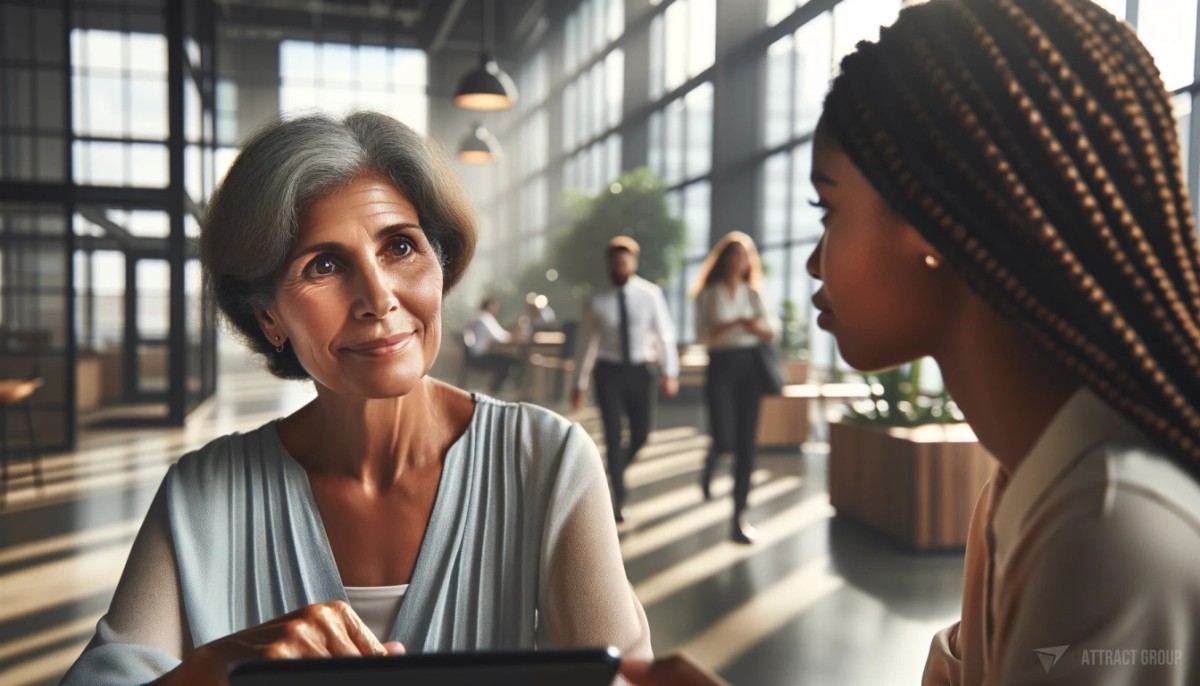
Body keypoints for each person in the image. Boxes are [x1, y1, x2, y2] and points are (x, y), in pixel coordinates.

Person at [623, 0, 1200, 683]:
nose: (813, 261)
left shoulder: (1108, 534)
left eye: (828, 210)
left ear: (931, 217)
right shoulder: (1024, 489)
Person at [61, 111, 650, 686]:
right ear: (270, 318)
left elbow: (623, 675)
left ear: (440, 264)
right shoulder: (202, 496)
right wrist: (211, 673)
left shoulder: (546, 461)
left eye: (400, 247)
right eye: (323, 264)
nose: (378, 298)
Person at [571, 236, 680, 523]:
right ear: (610, 264)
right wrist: (578, 384)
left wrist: (671, 372)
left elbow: (664, 334)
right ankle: (618, 497)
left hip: (641, 371)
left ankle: (613, 471)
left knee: (642, 434)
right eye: (616, 260)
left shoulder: (650, 295)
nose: (621, 264)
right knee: (613, 435)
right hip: (609, 373)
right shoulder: (596, 300)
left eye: (626, 259)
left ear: (634, 263)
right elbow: (585, 344)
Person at [691, 232, 779, 545]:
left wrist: (753, 326)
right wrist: (731, 325)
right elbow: (702, 335)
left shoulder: (754, 292)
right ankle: (712, 460)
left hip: (750, 368)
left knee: (746, 445)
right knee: (724, 438)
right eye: (732, 255)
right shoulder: (708, 294)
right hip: (720, 367)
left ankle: (739, 515)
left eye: (743, 256)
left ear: (748, 262)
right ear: (724, 259)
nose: (737, 261)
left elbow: (772, 330)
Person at [466, 296, 522, 393]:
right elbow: (500, 338)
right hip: (480, 355)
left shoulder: (477, 316)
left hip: (475, 354)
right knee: (510, 362)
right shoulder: (485, 318)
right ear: (490, 306)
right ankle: (495, 391)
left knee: (507, 360)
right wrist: (515, 335)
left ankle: (494, 389)